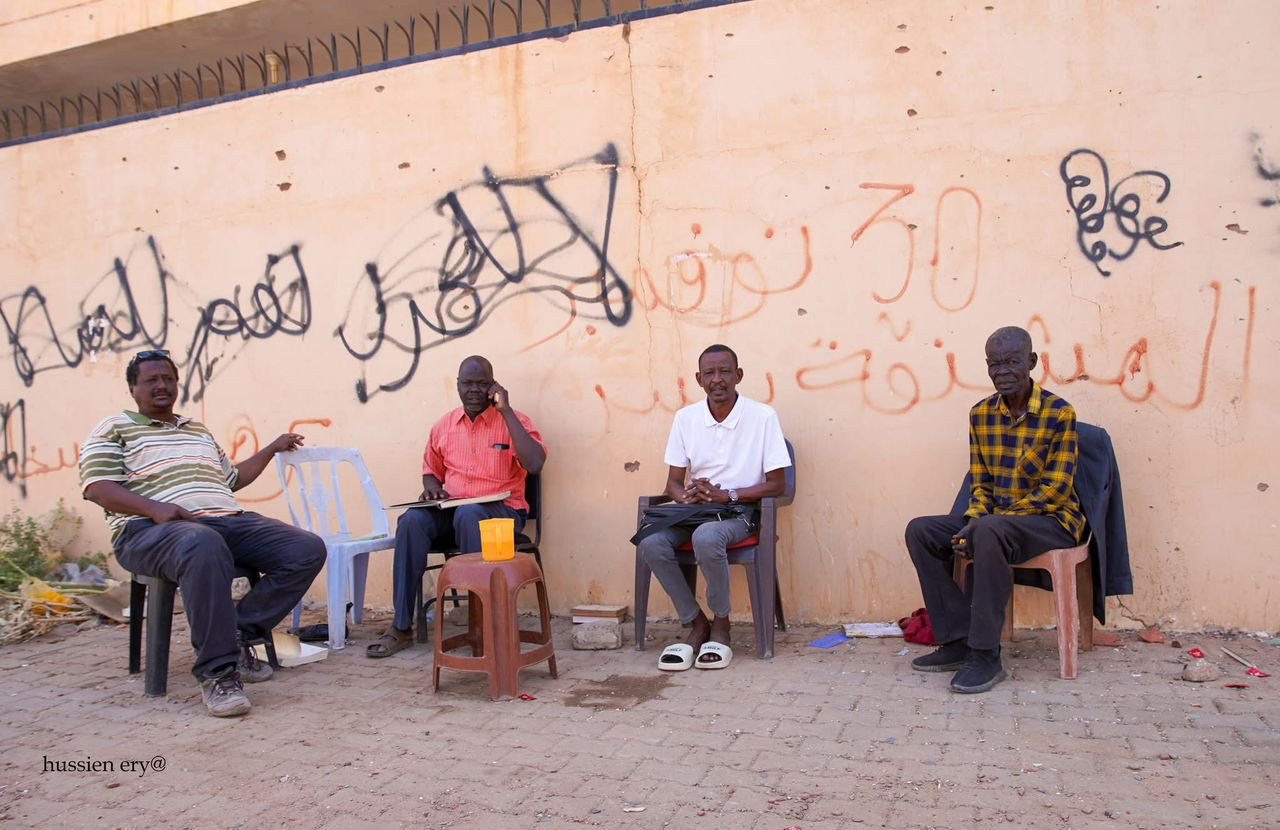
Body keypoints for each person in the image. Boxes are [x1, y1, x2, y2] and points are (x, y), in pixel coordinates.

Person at [79, 349, 326, 717]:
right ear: (133, 388)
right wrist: (155, 508)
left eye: (168, 379)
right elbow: (96, 487)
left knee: (305, 548)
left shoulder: (197, 429)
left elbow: (232, 479)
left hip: (225, 520)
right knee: (201, 541)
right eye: (151, 380)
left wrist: (272, 448)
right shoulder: (114, 428)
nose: (162, 385)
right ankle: (218, 673)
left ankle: (239, 634)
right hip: (150, 530)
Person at [905, 326, 1086, 693]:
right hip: (996, 522)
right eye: (994, 364)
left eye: (1012, 362)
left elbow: (1055, 491)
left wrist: (987, 522)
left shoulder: (1059, 414)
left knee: (989, 530)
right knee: (921, 530)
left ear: (1031, 362)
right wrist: (972, 520)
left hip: (1051, 521)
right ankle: (957, 639)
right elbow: (981, 483)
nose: (1002, 371)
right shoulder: (981, 415)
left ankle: (986, 655)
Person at [366, 355, 546, 657]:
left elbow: (535, 463)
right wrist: (431, 488)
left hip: (501, 515)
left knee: (470, 513)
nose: (474, 390)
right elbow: (430, 471)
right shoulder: (444, 426)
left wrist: (506, 411)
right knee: (411, 520)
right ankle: (400, 627)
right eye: (468, 383)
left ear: (493, 386)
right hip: (452, 512)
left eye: (482, 383)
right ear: (458, 385)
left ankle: (487, 625)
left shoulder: (515, 421)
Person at [636, 344, 790, 671]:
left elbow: (778, 484)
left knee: (708, 537)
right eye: (709, 373)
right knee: (650, 542)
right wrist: (685, 496)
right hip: (695, 511)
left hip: (740, 512)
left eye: (724, 372)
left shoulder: (762, 417)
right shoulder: (685, 418)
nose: (717, 379)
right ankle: (696, 622)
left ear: (739, 376)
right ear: (699, 379)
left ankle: (722, 623)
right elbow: (673, 482)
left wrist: (729, 495)